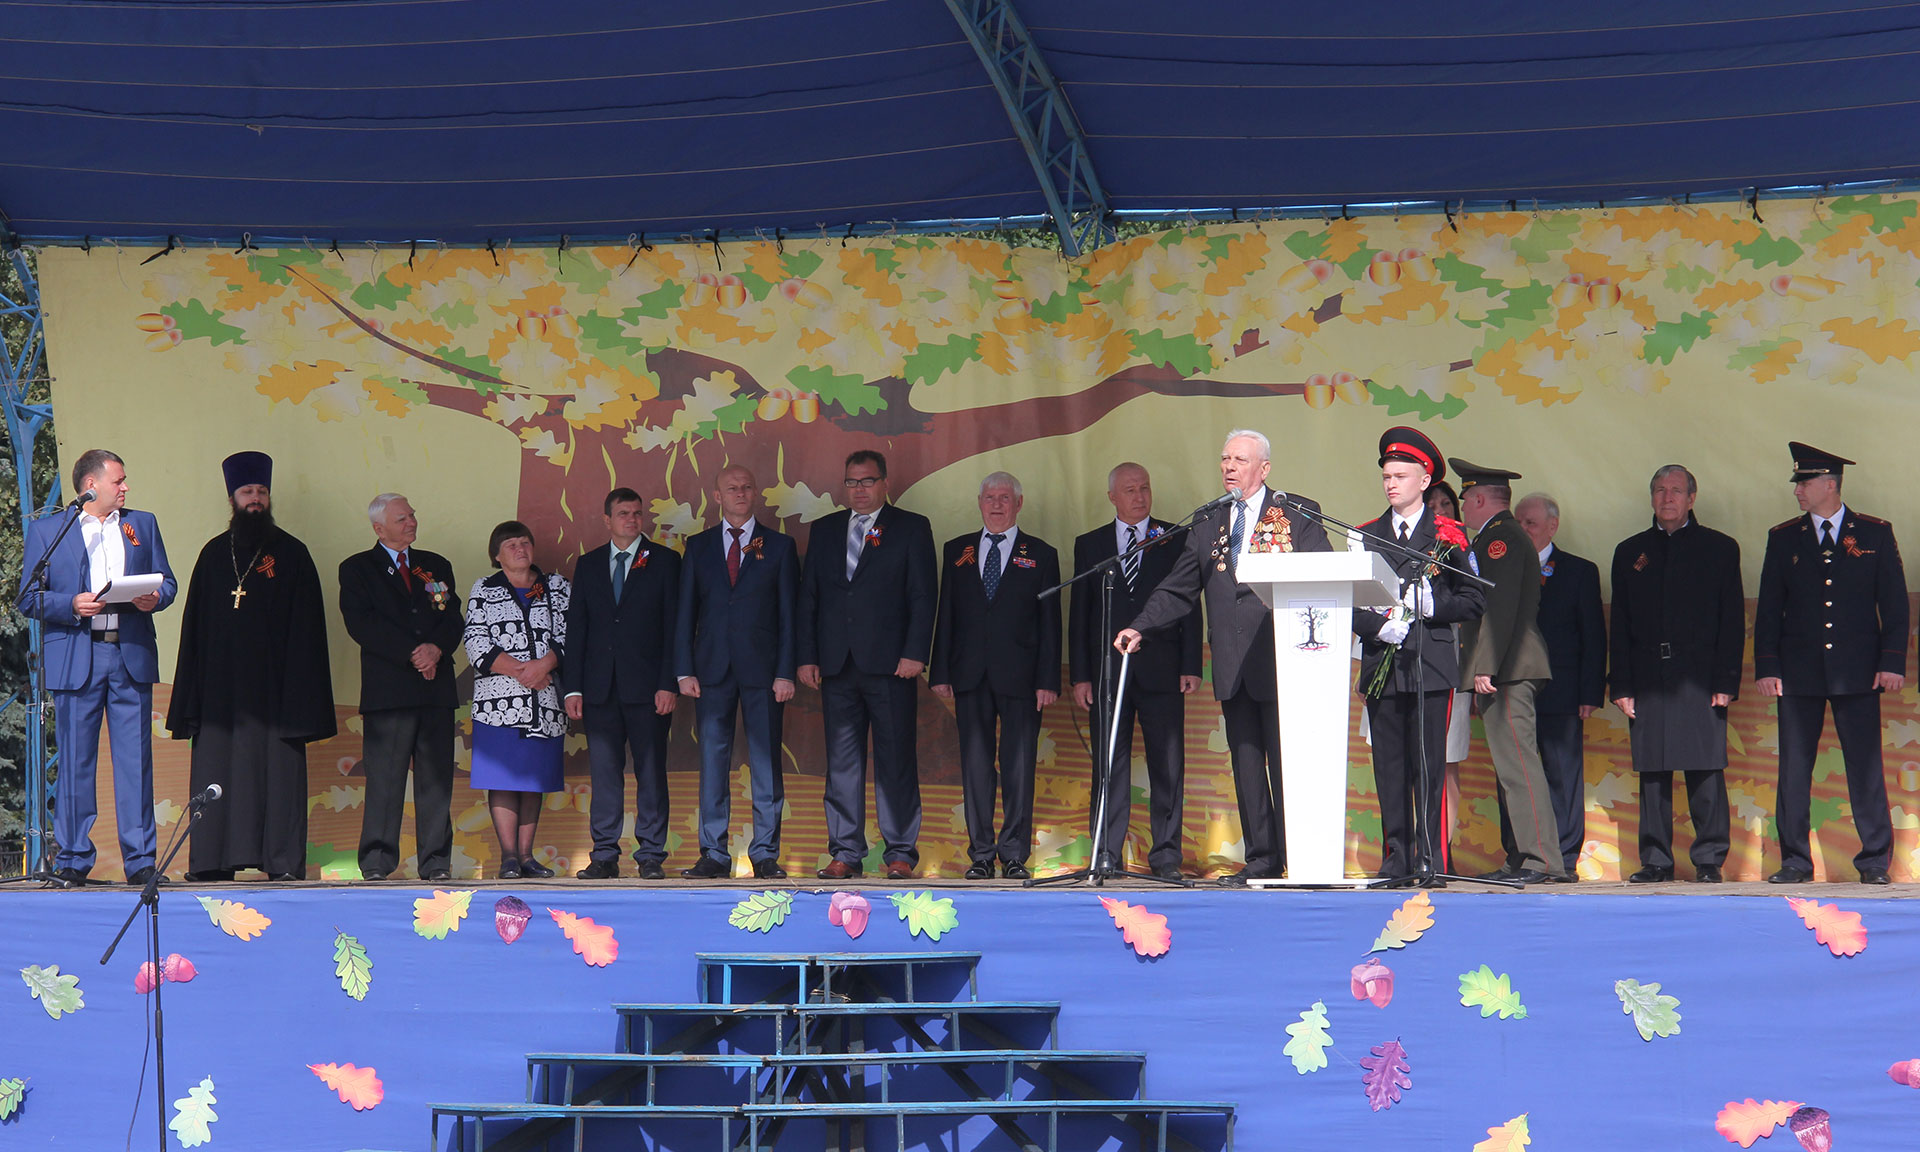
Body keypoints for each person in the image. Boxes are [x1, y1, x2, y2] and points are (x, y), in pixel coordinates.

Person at [1115, 429, 1332, 885]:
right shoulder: (1209, 520)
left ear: (1264, 469)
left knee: (1289, 767)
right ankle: (1262, 860)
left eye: (1240, 460)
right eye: (1225, 459)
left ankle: (1303, 859)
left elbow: (1324, 577)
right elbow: (1178, 588)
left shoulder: (1296, 513)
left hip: (1286, 663)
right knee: (1247, 766)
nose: (1229, 467)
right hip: (1234, 664)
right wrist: (1141, 625)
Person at [167, 451, 335, 882]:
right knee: (217, 773)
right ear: (233, 499)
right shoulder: (212, 555)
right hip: (220, 695)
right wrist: (191, 698)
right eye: (247, 492)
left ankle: (282, 863)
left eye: (261, 491)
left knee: (277, 780)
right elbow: (194, 630)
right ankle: (211, 862)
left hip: (277, 694)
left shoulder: (292, 554)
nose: (255, 498)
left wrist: (301, 697)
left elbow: (309, 631)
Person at [15, 449, 175, 887]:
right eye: (118, 481)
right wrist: (71, 604)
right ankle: (72, 859)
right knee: (75, 762)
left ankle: (140, 861)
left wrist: (155, 598)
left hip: (129, 653)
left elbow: (168, 582)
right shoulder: (50, 530)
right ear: (91, 485)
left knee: (135, 762)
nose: (125, 487)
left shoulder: (141, 524)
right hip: (77, 655)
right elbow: (28, 597)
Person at [1755, 443, 1907, 885]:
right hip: (1797, 671)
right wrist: (1768, 665)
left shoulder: (1875, 534)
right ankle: (1795, 861)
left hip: (1858, 669)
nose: (1797, 490)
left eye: (1804, 482)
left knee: (1865, 767)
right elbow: (1770, 607)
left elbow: (1894, 605)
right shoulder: (1784, 537)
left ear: (1830, 484)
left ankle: (1874, 862)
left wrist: (1892, 661)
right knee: (1793, 768)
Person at [1352, 428, 1485, 886]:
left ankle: (1431, 858)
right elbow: (1349, 601)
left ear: (1425, 481)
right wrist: (1375, 627)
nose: (1391, 484)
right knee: (1389, 767)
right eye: (1386, 477)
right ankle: (1396, 859)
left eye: (1401, 476)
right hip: (1383, 664)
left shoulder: (1448, 535)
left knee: (1428, 767)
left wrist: (1434, 606)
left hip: (1431, 665)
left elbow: (1474, 600)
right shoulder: (1366, 536)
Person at [797, 450, 938, 881]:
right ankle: (845, 852)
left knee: (896, 760)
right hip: (837, 664)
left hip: (893, 665)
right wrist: (807, 656)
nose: (859, 490)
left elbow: (923, 595)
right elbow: (809, 596)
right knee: (842, 764)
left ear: (885, 483)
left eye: (867, 481)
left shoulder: (911, 527)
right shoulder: (825, 529)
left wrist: (915, 653)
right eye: (852, 482)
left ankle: (900, 854)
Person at [1610, 465, 1743, 884]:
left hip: (1701, 676)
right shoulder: (1631, 552)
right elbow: (1621, 625)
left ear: (1691, 498)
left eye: (1676, 491)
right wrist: (1622, 684)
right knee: (1653, 770)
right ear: (1651, 497)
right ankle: (1656, 860)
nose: (1667, 498)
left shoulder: (1719, 548)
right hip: (1648, 675)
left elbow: (1731, 620)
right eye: (1660, 490)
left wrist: (1726, 681)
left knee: (1705, 768)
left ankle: (1709, 859)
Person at [1069, 462, 1202, 881]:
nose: (1139, 496)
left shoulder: (1173, 537)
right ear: (1112, 496)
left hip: (1163, 669)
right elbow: (1080, 614)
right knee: (1110, 763)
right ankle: (1107, 854)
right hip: (1108, 673)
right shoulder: (1090, 545)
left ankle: (1166, 857)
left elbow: (1189, 604)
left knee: (1168, 765)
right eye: (1129, 490)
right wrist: (1081, 675)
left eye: (1144, 488)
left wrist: (1191, 664)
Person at [931, 472, 1061, 880]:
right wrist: (940, 670)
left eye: (1005, 497)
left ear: (1019, 504)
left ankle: (1015, 855)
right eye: (990, 497)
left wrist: (1047, 680)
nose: (997, 504)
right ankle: (982, 855)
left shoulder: (1040, 553)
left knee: (1019, 766)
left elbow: (1051, 623)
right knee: (976, 767)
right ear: (979, 502)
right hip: (969, 674)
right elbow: (946, 614)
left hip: (1022, 678)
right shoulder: (958, 550)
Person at [673, 467, 800, 881]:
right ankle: (713, 854)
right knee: (713, 762)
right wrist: (683, 669)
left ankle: (765, 854)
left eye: (746, 487)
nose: (740, 493)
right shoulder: (699, 546)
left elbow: (789, 615)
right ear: (717, 496)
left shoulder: (779, 546)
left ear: (755, 493)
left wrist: (785, 672)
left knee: (765, 762)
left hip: (764, 670)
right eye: (732, 488)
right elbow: (685, 612)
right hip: (711, 669)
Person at [1453, 459, 1567, 885]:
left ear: (1481, 499)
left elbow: (1499, 608)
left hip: (1508, 666)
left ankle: (1542, 860)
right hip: (1506, 665)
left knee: (1519, 766)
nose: (1463, 506)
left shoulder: (1500, 538)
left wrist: (1486, 665)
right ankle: (1523, 855)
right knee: (1510, 768)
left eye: (1466, 498)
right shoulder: (1496, 537)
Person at [337, 494, 461, 882]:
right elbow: (362, 624)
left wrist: (436, 649)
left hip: (435, 690)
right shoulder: (358, 569)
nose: (411, 522)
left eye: (412, 515)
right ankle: (377, 862)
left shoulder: (435, 565)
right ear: (379, 528)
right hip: (390, 692)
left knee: (436, 781)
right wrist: (412, 654)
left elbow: (452, 616)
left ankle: (436, 862)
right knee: (386, 782)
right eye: (402, 518)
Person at [562, 488, 681, 880]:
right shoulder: (590, 563)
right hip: (600, 688)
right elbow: (577, 629)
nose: (632, 519)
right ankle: (604, 855)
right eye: (623, 513)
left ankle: (651, 855)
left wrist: (668, 683)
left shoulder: (665, 560)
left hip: (649, 689)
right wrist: (573, 687)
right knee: (604, 776)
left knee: (651, 773)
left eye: (637, 513)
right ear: (607, 520)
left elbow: (674, 628)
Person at [465, 520, 571, 880]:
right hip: (498, 704)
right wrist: (522, 671)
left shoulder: (556, 587)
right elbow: (476, 642)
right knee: (503, 779)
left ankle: (527, 856)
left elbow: (570, 634)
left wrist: (543, 666)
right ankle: (508, 857)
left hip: (544, 703)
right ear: (497, 555)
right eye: (511, 545)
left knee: (532, 779)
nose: (520, 549)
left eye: (525, 542)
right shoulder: (484, 589)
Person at [1511, 491, 1604, 877]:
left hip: (1563, 691)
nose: (1523, 529)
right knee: (1515, 774)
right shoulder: (1502, 568)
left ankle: (1563, 859)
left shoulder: (1579, 571)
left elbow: (1593, 636)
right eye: (1518, 522)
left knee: (1562, 776)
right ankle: (1519, 856)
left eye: (1530, 523)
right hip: (1513, 689)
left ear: (1553, 526)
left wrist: (1590, 693)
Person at [1425, 481, 1473, 859]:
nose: (1441, 510)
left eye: (1447, 503)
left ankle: (1442, 850)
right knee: (1405, 763)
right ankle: (1411, 850)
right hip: (1402, 663)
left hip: (1451, 666)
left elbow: (1476, 610)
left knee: (1446, 760)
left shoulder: (1464, 550)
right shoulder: (1398, 540)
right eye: (1433, 504)